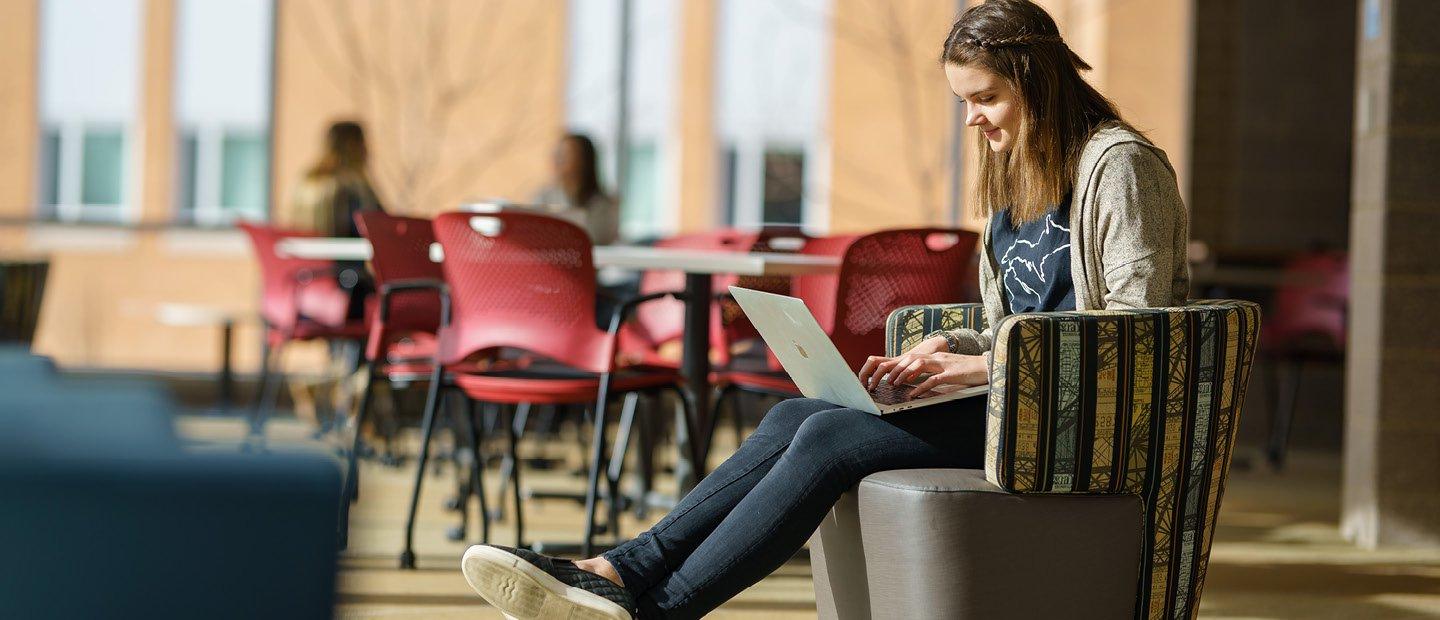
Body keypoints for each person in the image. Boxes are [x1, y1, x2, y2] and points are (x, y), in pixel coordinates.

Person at [458, 1, 1189, 618]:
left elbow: (1132, 341)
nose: (973, 120)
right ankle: (620, 572)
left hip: (1070, 424)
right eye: (965, 101)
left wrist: (982, 364)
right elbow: (1011, 321)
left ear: (1041, 84)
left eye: (986, 98)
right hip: (1012, 403)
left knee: (830, 440)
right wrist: (952, 351)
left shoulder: (1119, 168)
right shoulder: (1020, 170)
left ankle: (658, 607)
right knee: (791, 416)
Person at [281, 121, 385, 434]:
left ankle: (327, 383)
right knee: (388, 305)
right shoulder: (353, 186)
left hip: (304, 294)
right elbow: (382, 231)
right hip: (346, 293)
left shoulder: (305, 183)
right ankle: (354, 397)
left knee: (356, 309)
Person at [533, 132, 622, 246]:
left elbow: (598, 238)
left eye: (566, 154)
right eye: (558, 154)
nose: (558, 160)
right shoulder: (543, 197)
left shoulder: (605, 202)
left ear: (584, 160)